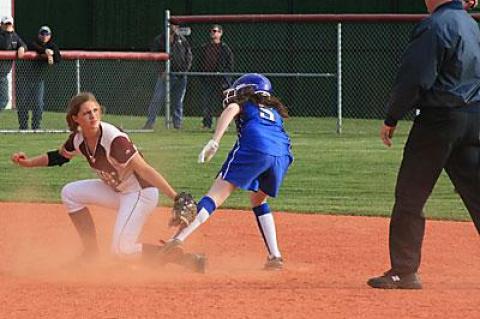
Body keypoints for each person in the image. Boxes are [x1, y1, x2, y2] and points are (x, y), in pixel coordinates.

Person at [11, 92, 205, 272]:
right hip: (117, 190)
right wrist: (28, 163)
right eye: (87, 113)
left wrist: (176, 196)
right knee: (70, 193)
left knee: (121, 251)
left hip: (140, 193)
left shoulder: (114, 140)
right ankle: (90, 254)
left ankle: (179, 258)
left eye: (96, 111)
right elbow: (58, 156)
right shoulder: (78, 139)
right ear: (75, 118)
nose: (93, 116)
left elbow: (144, 169)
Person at [368, 0, 480, 290]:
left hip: (439, 120)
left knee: (410, 195)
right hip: (472, 119)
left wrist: (392, 116)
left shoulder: (435, 25)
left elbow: (415, 77)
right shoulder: (471, 24)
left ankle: (403, 272)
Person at [163, 73, 293, 270]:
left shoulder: (246, 104)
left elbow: (231, 108)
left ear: (248, 91)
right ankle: (275, 257)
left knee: (214, 196)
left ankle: (176, 240)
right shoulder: (274, 111)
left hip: (255, 146)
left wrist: (215, 140)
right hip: (282, 154)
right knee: (258, 200)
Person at [143, 23, 192, 130]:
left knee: (178, 101)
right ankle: (150, 122)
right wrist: (161, 71)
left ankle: (177, 124)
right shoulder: (160, 40)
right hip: (165, 75)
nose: (174, 28)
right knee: (157, 98)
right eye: (171, 25)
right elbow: (154, 56)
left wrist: (185, 70)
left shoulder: (182, 40)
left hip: (180, 75)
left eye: (176, 26)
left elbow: (188, 55)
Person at [16, 26, 61, 130]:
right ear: (38, 35)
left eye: (47, 34)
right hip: (25, 78)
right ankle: (23, 127)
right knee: (23, 104)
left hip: (38, 80)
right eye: (42, 34)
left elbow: (58, 58)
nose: (44, 36)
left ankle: (36, 126)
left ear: (50, 36)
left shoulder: (52, 45)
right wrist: (46, 52)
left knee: (38, 104)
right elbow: (33, 46)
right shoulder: (33, 43)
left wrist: (51, 54)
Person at [199, 24, 234, 129]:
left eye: (216, 31)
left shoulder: (225, 49)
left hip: (220, 80)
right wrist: (202, 76)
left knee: (221, 103)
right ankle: (206, 124)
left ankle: (223, 124)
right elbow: (200, 63)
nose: (214, 33)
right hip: (208, 79)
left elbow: (230, 66)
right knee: (207, 102)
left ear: (221, 33)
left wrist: (225, 78)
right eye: (213, 31)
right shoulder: (204, 47)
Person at [0, 15, 26, 111]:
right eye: (6, 24)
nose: (8, 26)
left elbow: (22, 44)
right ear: (1, 25)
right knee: (3, 100)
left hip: (3, 75)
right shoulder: (5, 35)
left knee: (4, 100)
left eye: (10, 24)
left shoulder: (14, 35)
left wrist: (22, 47)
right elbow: (5, 46)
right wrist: (8, 33)